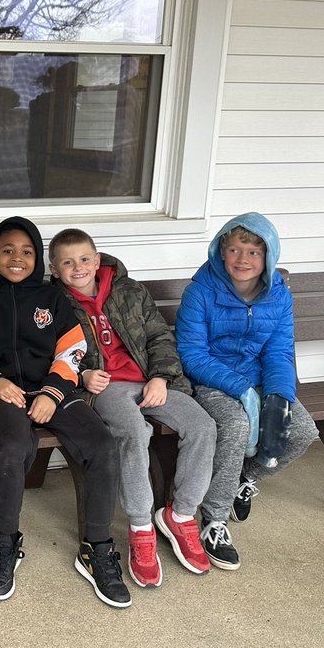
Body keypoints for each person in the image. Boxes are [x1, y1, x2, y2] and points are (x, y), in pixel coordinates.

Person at [0, 217, 129, 608]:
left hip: (53, 390)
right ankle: (6, 543)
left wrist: (52, 392)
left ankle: (97, 548)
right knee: (13, 446)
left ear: (37, 257)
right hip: (3, 394)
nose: (17, 258)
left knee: (102, 445)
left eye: (27, 251)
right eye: (7, 250)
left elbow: (72, 350)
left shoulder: (52, 297)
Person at [48, 228, 216, 588]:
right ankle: (141, 526)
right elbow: (49, 352)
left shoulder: (130, 290)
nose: (78, 267)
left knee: (202, 426)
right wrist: (82, 376)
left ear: (97, 260)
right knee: (133, 432)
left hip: (150, 382)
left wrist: (161, 377)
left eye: (84, 259)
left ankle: (180, 515)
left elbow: (159, 337)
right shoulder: (52, 303)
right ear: (54, 268)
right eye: (68, 262)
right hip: (106, 387)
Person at [174, 212, 319, 569]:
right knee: (236, 426)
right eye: (235, 250)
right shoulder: (200, 292)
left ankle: (246, 477)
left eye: (254, 252)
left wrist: (278, 396)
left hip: (259, 378)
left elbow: (279, 353)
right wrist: (241, 389)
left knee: (301, 429)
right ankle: (215, 520)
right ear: (221, 251)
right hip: (212, 380)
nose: (243, 260)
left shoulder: (279, 296)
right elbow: (192, 355)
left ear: (268, 256)